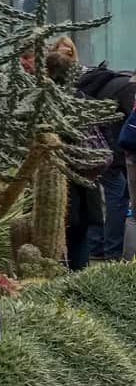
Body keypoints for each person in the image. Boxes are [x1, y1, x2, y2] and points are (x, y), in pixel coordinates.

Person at [45, 38, 109, 271]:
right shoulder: (85, 101)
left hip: (59, 180)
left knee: (56, 235)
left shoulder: (46, 104)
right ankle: (78, 282)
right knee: (79, 236)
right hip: (84, 180)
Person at [76, 60, 136, 261]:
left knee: (96, 194)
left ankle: (97, 246)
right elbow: (131, 125)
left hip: (94, 148)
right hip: (114, 151)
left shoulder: (104, 82)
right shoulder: (128, 88)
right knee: (118, 197)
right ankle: (114, 251)